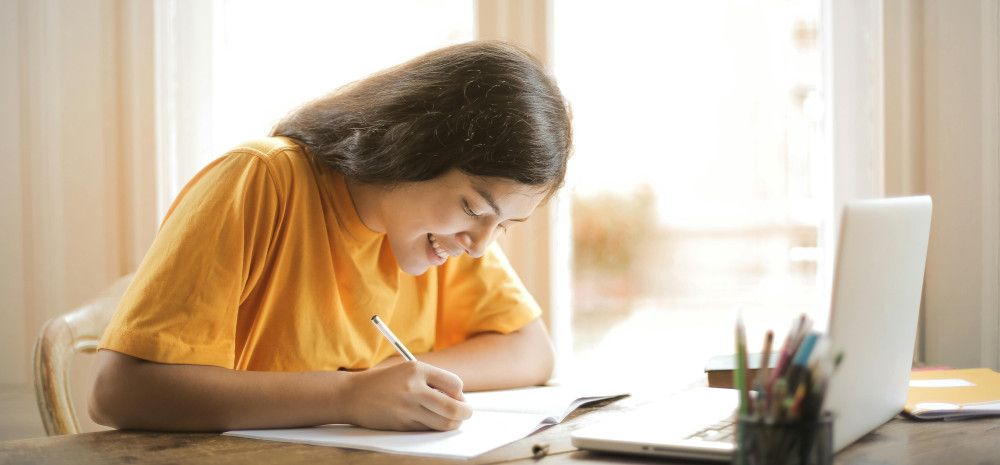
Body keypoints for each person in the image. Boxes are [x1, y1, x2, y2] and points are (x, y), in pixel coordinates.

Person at [88, 40, 573, 433]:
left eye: (503, 225)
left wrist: (398, 380)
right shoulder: (262, 181)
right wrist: (349, 396)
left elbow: (531, 350)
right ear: (412, 147)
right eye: (473, 208)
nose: (481, 245)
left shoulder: (443, 234)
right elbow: (118, 392)